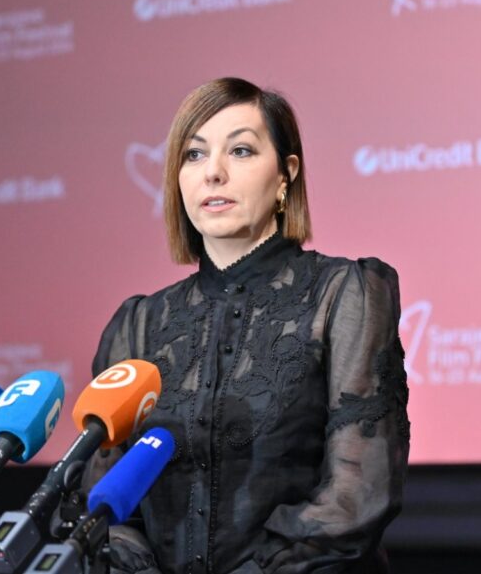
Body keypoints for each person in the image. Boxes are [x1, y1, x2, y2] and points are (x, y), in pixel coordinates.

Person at [84, 77, 410, 574]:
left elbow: (354, 497)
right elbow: (104, 506)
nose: (213, 172)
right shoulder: (138, 324)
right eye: (194, 155)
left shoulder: (344, 294)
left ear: (285, 175)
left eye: (240, 150)